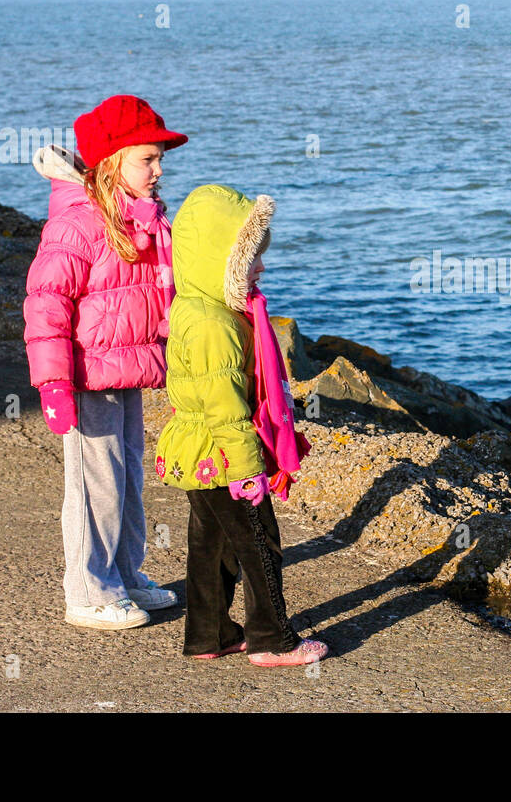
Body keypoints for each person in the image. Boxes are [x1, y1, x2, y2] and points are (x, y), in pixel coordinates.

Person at [23, 95, 185, 630]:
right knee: (96, 485)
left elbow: (156, 292)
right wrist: (52, 383)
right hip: (89, 376)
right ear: (114, 161)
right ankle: (88, 591)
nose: (159, 170)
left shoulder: (143, 218)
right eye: (149, 160)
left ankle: (124, 575)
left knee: (128, 475)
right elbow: (46, 304)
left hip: (129, 369)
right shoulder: (79, 224)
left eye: (161, 159)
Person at [156, 184, 327, 665]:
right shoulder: (216, 324)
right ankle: (272, 639)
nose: (261, 268)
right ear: (221, 261)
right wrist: (249, 468)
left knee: (210, 546)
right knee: (258, 546)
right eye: (250, 259)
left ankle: (208, 635)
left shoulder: (194, 306)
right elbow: (226, 407)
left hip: (198, 450)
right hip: (224, 454)